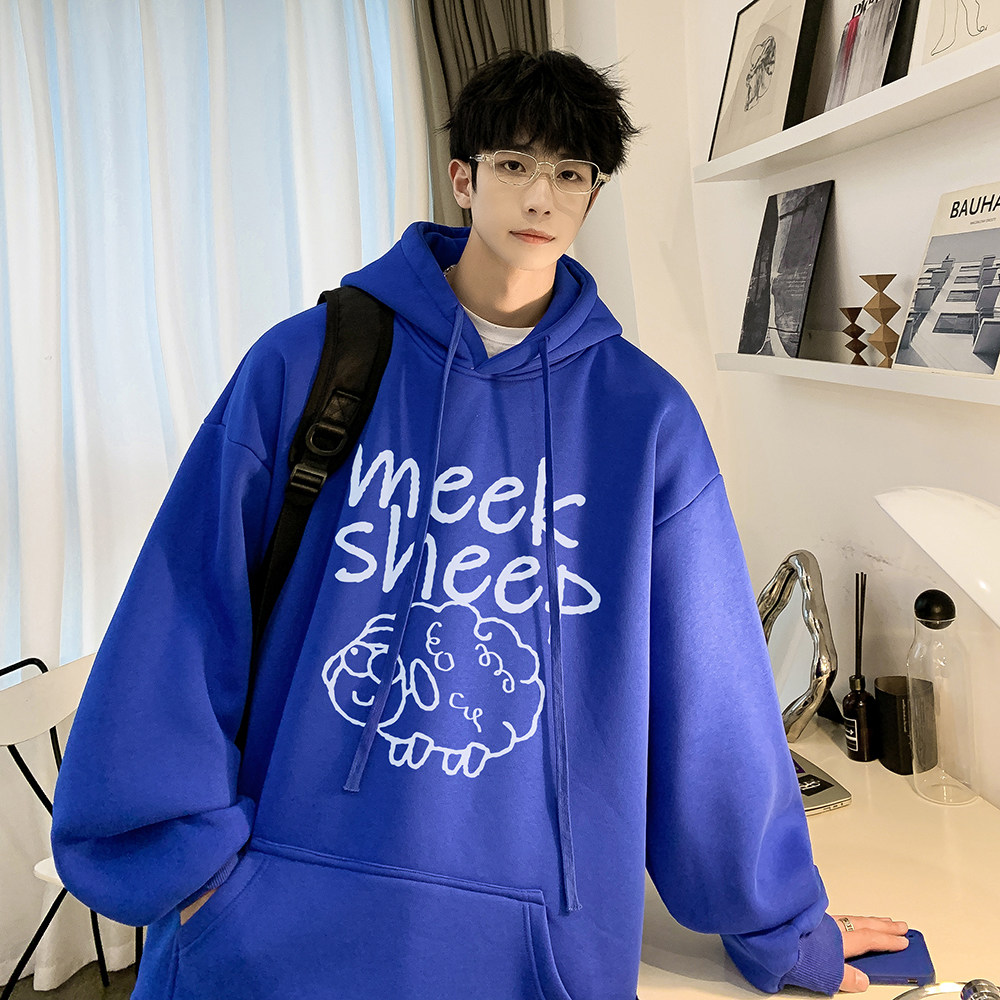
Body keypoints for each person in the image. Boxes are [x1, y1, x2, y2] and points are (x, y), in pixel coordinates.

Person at [51, 50, 908, 1000]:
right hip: (268, 929)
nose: (541, 195)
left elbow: (710, 697)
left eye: (571, 173)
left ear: (592, 195)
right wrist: (185, 864)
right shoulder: (309, 364)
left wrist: (783, 927)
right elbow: (183, 610)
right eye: (514, 164)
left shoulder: (645, 420)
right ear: (463, 178)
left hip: (529, 950)